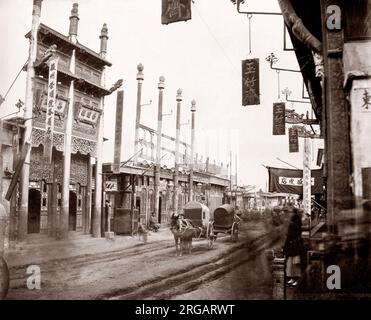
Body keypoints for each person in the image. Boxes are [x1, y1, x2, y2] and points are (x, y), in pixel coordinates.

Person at [283, 206, 303, 287]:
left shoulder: (297, 221)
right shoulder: (291, 220)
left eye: (290, 212)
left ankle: (296, 279)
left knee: (295, 262)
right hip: (290, 245)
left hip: (295, 244)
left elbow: (293, 232)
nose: (289, 214)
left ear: (294, 213)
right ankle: (291, 278)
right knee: (290, 263)